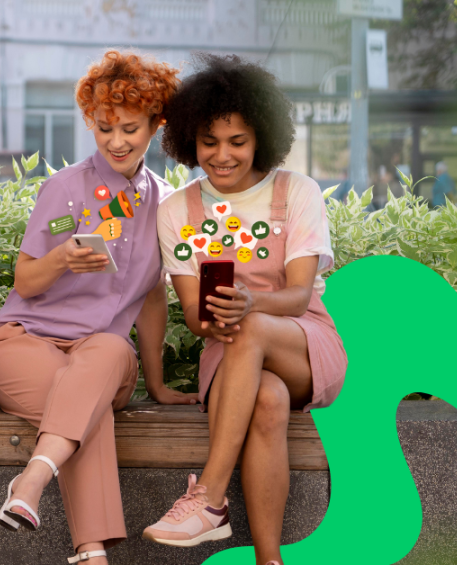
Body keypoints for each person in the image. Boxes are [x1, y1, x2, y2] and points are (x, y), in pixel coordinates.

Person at [0, 50, 191, 565]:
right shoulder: (66, 190)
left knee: (104, 352)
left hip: (100, 358)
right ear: (90, 123)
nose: (116, 141)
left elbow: (150, 300)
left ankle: (32, 479)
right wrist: (60, 258)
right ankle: (91, 554)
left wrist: (159, 386)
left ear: (156, 125)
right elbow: (27, 281)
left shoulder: (166, 203)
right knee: (86, 407)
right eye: (104, 128)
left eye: (130, 128)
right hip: (24, 344)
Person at [143, 54, 347, 565]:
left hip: (303, 341)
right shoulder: (178, 210)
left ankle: (209, 497)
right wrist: (215, 312)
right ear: (190, 138)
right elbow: (193, 317)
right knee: (269, 401)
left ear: (261, 138)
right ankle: (269, 560)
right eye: (209, 142)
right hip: (228, 353)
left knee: (255, 329)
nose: (222, 155)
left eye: (237, 141)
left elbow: (300, 296)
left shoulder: (296, 192)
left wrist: (251, 304)